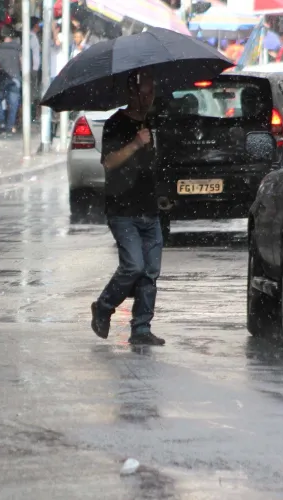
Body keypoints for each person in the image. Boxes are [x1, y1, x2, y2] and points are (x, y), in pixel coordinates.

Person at [90, 69, 165, 346]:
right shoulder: (116, 124)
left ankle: (141, 329)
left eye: (151, 92)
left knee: (149, 272)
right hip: (122, 210)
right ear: (131, 93)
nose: (148, 98)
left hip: (149, 209)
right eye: (144, 93)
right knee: (133, 266)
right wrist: (135, 143)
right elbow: (108, 162)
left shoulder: (151, 122)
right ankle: (104, 306)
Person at [0, 26, 23, 134]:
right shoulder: (18, 48)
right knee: (13, 104)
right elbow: (22, 63)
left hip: (2, 79)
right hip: (15, 79)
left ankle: (1, 122)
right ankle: (10, 126)